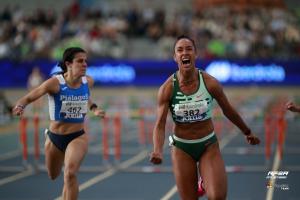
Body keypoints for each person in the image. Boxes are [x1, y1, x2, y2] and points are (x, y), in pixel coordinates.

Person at [149, 35, 260, 200]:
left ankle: (205, 181)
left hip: (208, 144)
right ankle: (201, 183)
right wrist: (157, 150)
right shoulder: (167, 88)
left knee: (217, 197)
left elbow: (228, 110)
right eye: (180, 50)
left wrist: (247, 131)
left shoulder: (210, 83)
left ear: (195, 54)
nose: (184, 53)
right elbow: (160, 124)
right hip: (181, 147)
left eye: (189, 49)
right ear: (175, 57)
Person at [13, 47, 105, 200]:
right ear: (68, 64)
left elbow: (85, 97)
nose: (85, 64)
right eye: (80, 61)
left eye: (86, 61)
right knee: (53, 175)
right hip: (55, 138)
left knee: (70, 174)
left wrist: (94, 109)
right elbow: (28, 98)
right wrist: (19, 107)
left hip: (77, 136)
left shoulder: (88, 81)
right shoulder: (54, 83)